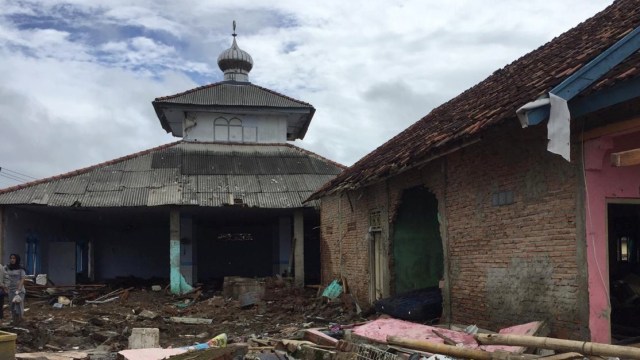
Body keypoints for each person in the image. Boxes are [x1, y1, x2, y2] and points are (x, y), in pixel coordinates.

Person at [5, 254, 26, 325]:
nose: (12, 259)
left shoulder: (21, 268)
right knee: (12, 305)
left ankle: (20, 320)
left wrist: (18, 289)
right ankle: (14, 320)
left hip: (19, 290)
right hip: (10, 289)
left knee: (18, 305)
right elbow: (3, 273)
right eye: (11, 258)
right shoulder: (7, 267)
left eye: (14, 258)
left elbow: (22, 279)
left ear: (17, 259)